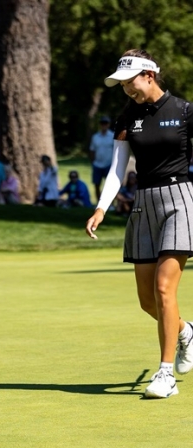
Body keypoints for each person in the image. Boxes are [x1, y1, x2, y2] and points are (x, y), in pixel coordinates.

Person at [85, 49, 193, 399]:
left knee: (165, 290)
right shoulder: (126, 118)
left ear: (149, 75)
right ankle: (185, 332)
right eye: (121, 85)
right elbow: (119, 169)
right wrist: (102, 207)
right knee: (148, 301)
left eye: (129, 82)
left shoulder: (185, 111)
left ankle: (165, 375)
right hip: (144, 205)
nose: (126, 89)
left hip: (180, 200)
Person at [89, 115, 115, 203]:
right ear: (100, 124)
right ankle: (98, 203)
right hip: (97, 164)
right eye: (102, 123)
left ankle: (110, 203)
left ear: (108, 124)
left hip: (108, 164)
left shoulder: (112, 136)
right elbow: (92, 150)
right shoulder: (95, 137)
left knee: (109, 185)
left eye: (106, 123)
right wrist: (93, 162)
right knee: (97, 184)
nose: (104, 125)